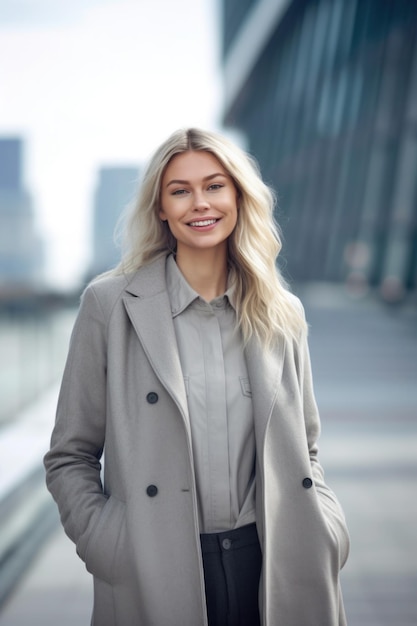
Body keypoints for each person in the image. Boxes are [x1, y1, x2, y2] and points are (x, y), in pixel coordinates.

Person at [44, 127, 349, 626]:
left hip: (276, 563)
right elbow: (69, 454)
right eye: (180, 191)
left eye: (214, 186)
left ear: (237, 196)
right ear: (161, 209)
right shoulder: (110, 305)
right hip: (154, 563)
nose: (199, 204)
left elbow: (306, 449)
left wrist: (328, 529)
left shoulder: (281, 312)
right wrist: (109, 545)